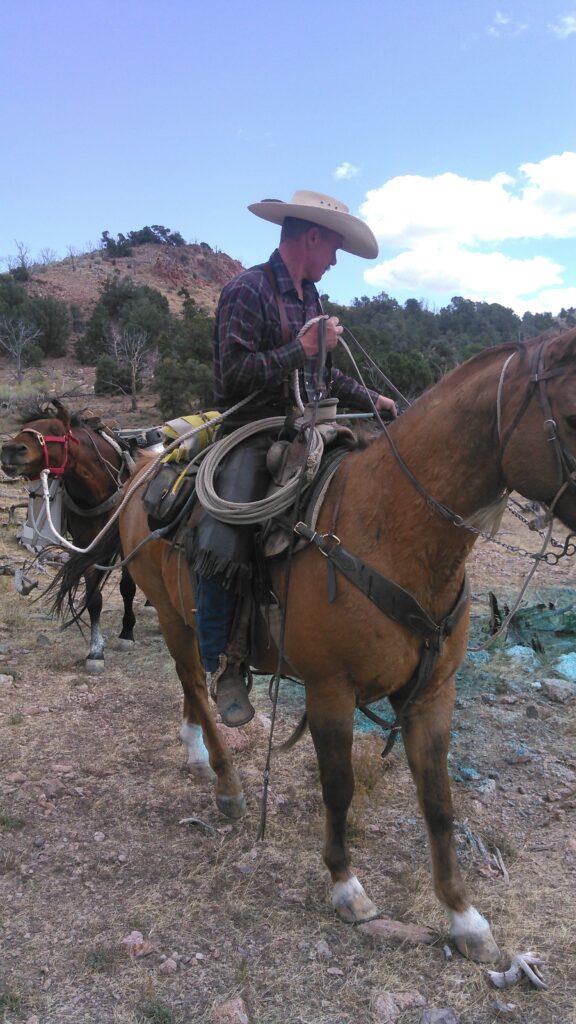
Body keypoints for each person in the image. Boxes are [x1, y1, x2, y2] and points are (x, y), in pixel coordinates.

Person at [195, 190, 397, 727]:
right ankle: (223, 662)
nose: (336, 259)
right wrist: (302, 350)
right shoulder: (246, 291)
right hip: (253, 432)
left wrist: (371, 400)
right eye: (334, 247)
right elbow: (230, 377)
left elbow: (323, 376)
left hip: (311, 428)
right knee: (226, 529)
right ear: (312, 237)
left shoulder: (312, 300)